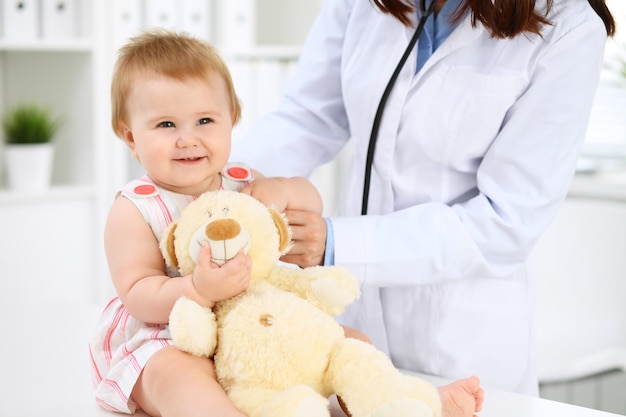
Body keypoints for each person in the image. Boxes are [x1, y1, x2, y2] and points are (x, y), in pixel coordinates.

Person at [89, 29, 484, 417]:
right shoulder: (136, 208)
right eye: (166, 125)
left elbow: (309, 201)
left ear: (233, 119)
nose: (187, 139)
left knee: (346, 344)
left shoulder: (243, 180)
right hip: (174, 335)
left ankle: (402, 402)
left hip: (258, 327)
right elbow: (138, 292)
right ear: (130, 137)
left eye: (205, 121)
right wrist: (197, 288)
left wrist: (282, 189)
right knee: (177, 376)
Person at [232, 0, 616, 396]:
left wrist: (335, 243)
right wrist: (223, 183)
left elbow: (505, 221)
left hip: (459, 350)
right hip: (352, 331)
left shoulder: (569, 27)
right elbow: (309, 116)